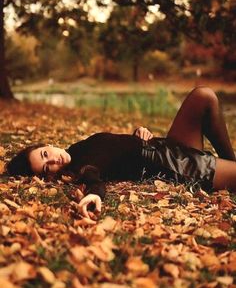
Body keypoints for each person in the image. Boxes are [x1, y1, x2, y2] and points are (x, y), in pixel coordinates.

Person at [6, 87, 236, 219]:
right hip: (178, 166)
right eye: (48, 167)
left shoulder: (76, 149)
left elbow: (114, 148)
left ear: (48, 145)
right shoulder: (80, 167)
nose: (55, 159)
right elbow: (93, 177)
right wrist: (94, 195)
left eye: (46, 154)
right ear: (49, 176)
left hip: (166, 145)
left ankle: (229, 161)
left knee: (203, 96)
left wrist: (137, 134)